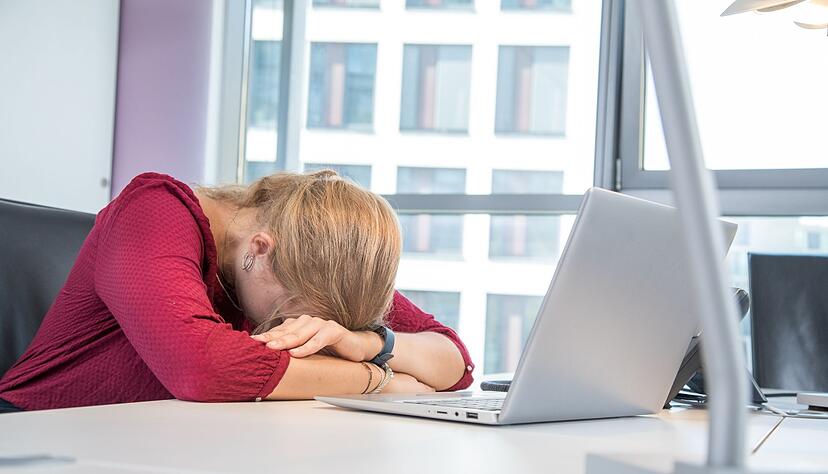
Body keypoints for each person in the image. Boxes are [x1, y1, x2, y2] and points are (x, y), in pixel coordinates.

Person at [0, 171, 474, 412]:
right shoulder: (154, 211)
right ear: (260, 249)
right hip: (45, 439)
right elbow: (201, 368)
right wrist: (378, 380)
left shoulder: (324, 264)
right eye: (291, 315)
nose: (297, 332)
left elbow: (454, 364)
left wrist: (368, 343)